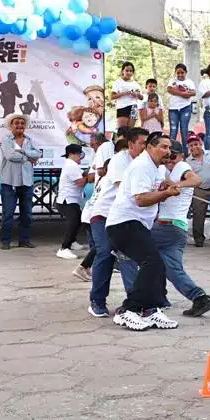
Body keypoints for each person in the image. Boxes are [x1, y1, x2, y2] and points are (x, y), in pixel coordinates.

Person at [105, 132, 180, 331]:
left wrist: (169, 186)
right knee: (152, 263)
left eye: (169, 148)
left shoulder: (157, 168)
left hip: (137, 224)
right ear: (149, 147)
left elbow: (165, 184)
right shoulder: (141, 166)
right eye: (163, 147)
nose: (167, 151)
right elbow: (141, 199)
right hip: (124, 223)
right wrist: (164, 194)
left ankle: (151, 309)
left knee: (157, 265)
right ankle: (129, 310)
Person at [152, 140, 210, 318]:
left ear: (181, 155)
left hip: (168, 225)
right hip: (177, 229)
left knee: (131, 248)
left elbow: (197, 179)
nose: (170, 160)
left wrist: (177, 186)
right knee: (173, 270)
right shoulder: (167, 170)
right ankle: (200, 298)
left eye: (173, 156)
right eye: (167, 157)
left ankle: (143, 301)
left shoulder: (182, 166)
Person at [86, 129, 146, 318]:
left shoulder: (145, 163)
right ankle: (97, 300)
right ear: (131, 144)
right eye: (142, 143)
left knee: (128, 256)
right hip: (103, 215)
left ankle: (135, 302)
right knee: (105, 252)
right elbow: (126, 191)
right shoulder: (120, 160)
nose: (145, 147)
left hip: (125, 217)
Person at [0, 113, 41, 249]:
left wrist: (23, 153)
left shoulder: (29, 139)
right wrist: (28, 157)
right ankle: (6, 241)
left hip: (27, 182)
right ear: (11, 125)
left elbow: (38, 154)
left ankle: (24, 240)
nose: (20, 125)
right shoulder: (6, 140)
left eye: (22, 123)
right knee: (8, 213)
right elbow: (10, 155)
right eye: (16, 123)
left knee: (27, 214)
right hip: (9, 182)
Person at [55, 143, 88, 260]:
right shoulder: (71, 165)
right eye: (80, 154)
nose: (81, 157)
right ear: (72, 154)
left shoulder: (72, 165)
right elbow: (80, 182)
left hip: (71, 199)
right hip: (67, 200)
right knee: (73, 222)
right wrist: (89, 177)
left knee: (78, 220)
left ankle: (72, 242)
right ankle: (64, 248)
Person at [186, 132, 210, 248]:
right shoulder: (187, 162)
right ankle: (198, 239)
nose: (194, 147)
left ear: (201, 144)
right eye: (191, 146)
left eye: (196, 144)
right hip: (200, 190)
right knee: (198, 214)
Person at [166, 63, 197, 143]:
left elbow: (193, 93)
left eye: (182, 72)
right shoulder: (172, 81)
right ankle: (171, 151)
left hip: (186, 107)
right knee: (173, 130)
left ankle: (185, 150)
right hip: (173, 109)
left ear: (186, 72)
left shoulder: (189, 82)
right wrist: (183, 93)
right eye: (178, 73)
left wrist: (176, 92)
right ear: (175, 73)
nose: (180, 75)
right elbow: (169, 89)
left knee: (184, 129)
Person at [111, 61, 143, 128]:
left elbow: (141, 97)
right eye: (127, 70)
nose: (129, 72)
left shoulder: (135, 84)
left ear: (133, 72)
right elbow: (112, 96)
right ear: (123, 71)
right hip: (122, 107)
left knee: (131, 131)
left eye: (131, 71)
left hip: (134, 107)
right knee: (122, 130)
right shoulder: (118, 82)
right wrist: (124, 93)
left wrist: (137, 94)